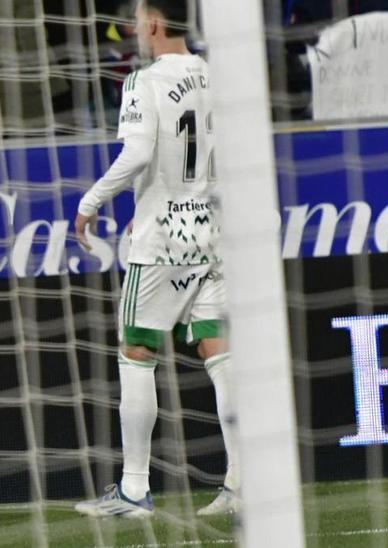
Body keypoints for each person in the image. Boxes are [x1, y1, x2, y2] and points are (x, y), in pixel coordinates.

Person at [72, 0, 240, 518]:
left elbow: (139, 152)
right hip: (214, 228)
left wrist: (91, 201)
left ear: (153, 22)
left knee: (136, 351)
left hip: (163, 237)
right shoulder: (218, 74)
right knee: (220, 353)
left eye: (137, 18)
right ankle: (241, 481)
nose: (132, 29)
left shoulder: (143, 81)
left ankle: (135, 489)